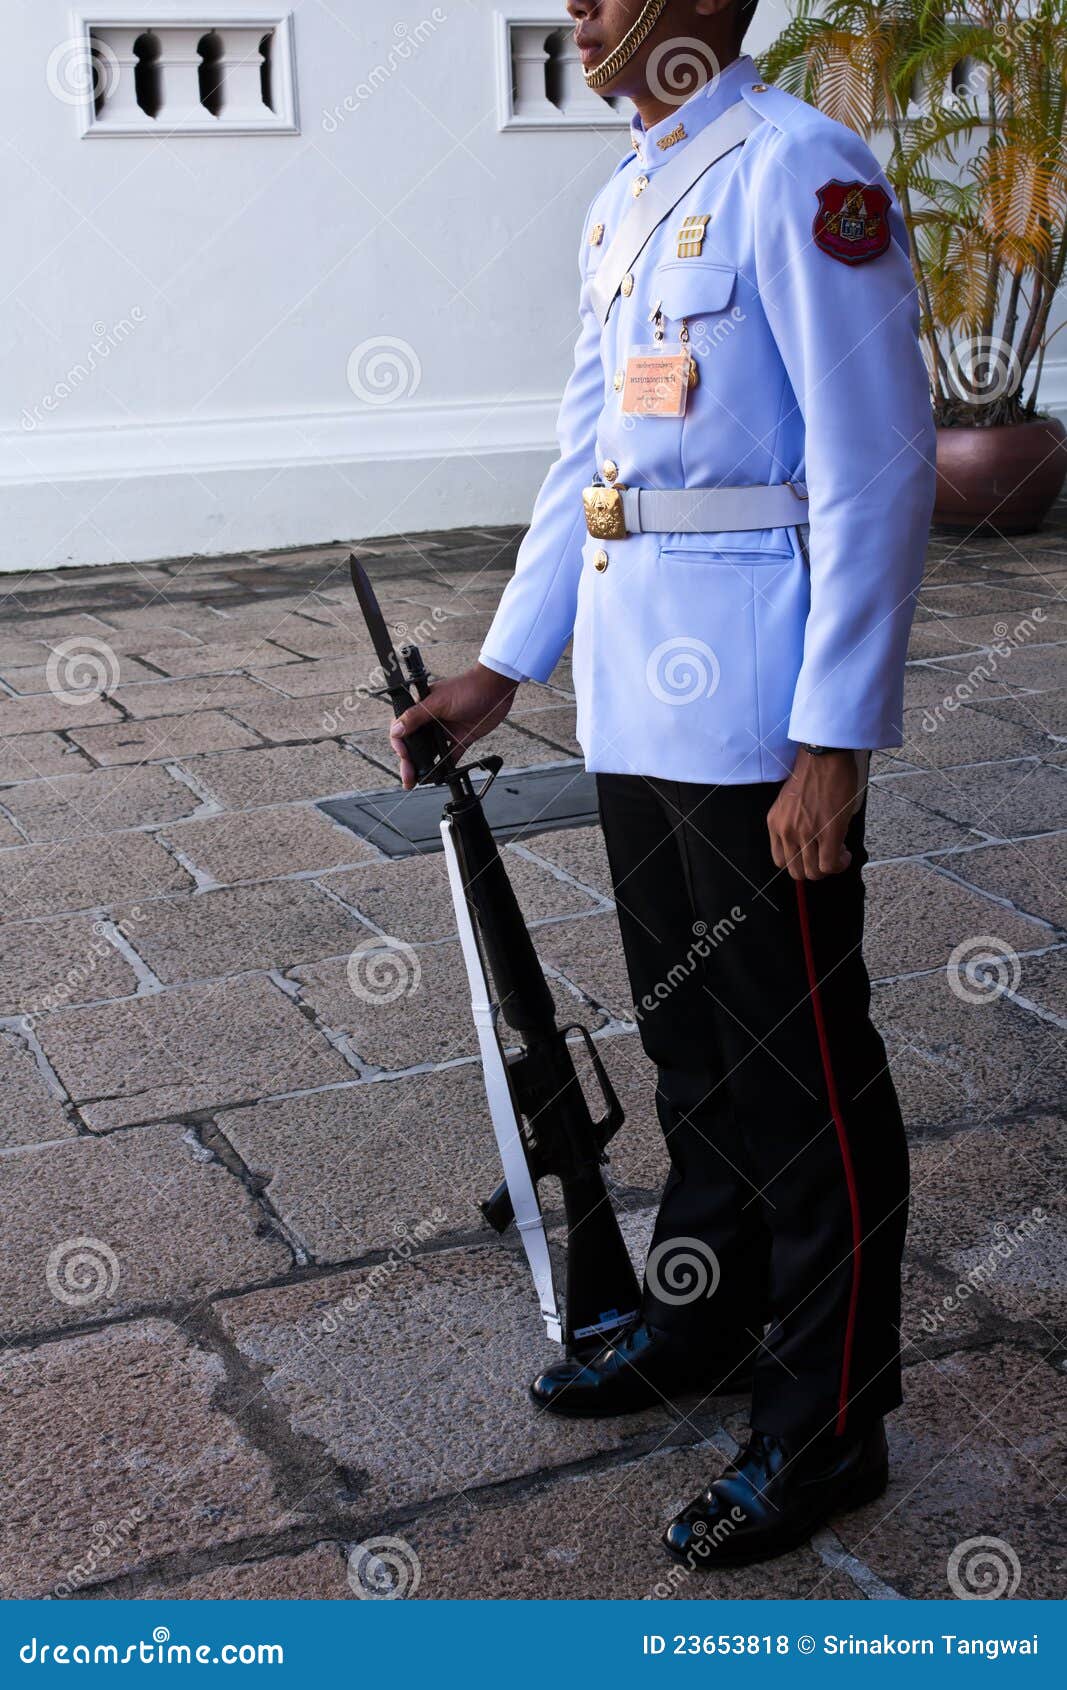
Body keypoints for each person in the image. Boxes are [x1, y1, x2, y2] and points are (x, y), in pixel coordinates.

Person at [391, 0, 936, 1568]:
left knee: (802, 1067)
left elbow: (880, 460)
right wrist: (504, 667)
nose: (580, 8)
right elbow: (590, 458)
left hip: (762, 705)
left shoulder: (797, 170)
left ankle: (830, 1416)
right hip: (640, 693)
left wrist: (833, 736)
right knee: (691, 1046)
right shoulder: (630, 193)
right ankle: (702, 1317)